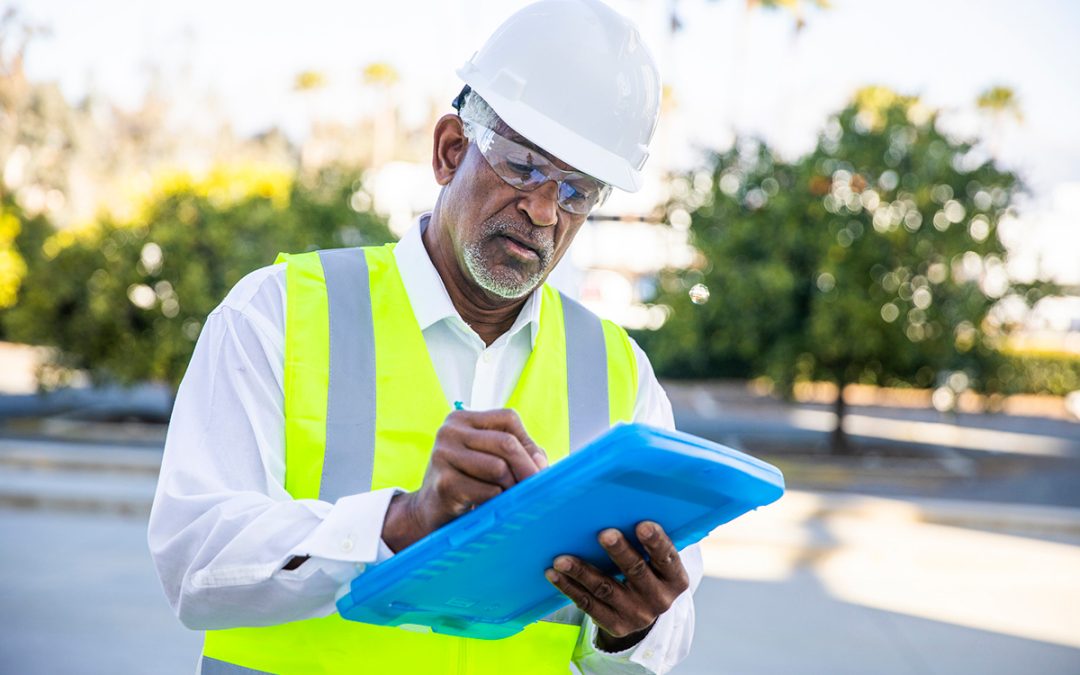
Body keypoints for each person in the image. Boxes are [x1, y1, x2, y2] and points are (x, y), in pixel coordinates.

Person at [148, 0, 703, 673]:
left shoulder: (620, 374)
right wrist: (399, 524)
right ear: (450, 150)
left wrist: (631, 630)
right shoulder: (276, 312)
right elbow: (193, 559)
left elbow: (661, 645)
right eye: (524, 165)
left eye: (578, 191)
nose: (544, 210)